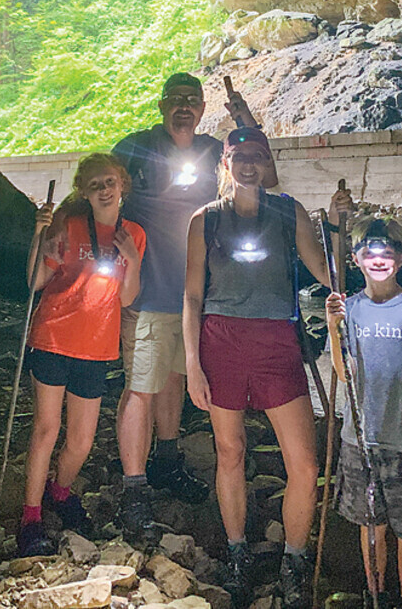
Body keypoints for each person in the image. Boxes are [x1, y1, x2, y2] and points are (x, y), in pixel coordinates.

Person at [183, 127, 332, 609]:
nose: (248, 164)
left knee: (305, 467)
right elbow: (191, 295)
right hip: (221, 342)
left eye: (258, 156)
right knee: (230, 453)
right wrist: (192, 364)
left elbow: (329, 276)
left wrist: (340, 232)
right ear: (225, 163)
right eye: (239, 156)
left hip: (277, 342)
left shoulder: (289, 213)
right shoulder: (204, 221)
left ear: (268, 163)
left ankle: (293, 560)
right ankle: (238, 554)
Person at [110, 73, 260, 540]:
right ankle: (134, 491)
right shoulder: (133, 150)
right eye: (175, 100)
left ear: (201, 108)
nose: (183, 108)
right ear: (161, 105)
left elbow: (260, 171)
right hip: (147, 292)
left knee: (174, 377)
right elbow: (98, 200)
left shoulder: (216, 151)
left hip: (195, 297)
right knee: (140, 387)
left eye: (191, 101)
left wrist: (244, 119)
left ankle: (167, 461)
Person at [16, 153, 146, 557]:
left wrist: (134, 259)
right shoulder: (69, 227)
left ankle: (60, 491)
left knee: (83, 440)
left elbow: (127, 297)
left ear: (122, 185)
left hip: (96, 346)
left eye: (109, 182)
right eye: (95, 185)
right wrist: (39, 236)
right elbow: (35, 281)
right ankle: (31, 517)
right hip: (53, 336)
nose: (104, 190)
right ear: (84, 193)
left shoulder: (133, 234)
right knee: (45, 429)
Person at [324, 218, 402, 609]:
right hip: (359, 440)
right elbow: (343, 373)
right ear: (356, 260)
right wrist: (332, 327)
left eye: (387, 254)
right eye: (369, 254)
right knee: (371, 523)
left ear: (401, 259)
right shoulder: (352, 310)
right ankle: (375, 595)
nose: (378, 261)